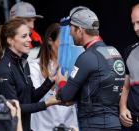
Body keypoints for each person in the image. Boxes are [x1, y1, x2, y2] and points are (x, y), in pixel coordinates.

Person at [56, 6, 125, 131]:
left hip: (93, 125)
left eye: (71, 28)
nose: (70, 33)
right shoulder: (115, 52)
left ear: (80, 30)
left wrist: (60, 82)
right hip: (114, 124)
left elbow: (65, 96)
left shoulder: (87, 57)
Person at [0, 18, 61, 131]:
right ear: (10, 41)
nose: (29, 39)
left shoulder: (23, 63)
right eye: (24, 36)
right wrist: (47, 103)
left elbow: (31, 97)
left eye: (29, 35)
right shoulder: (4, 70)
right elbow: (14, 107)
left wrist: (50, 80)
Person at [29, 23, 79, 131]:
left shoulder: (75, 64)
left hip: (70, 125)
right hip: (43, 126)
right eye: (63, 40)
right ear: (50, 41)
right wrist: (52, 84)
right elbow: (33, 98)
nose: (67, 43)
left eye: (69, 40)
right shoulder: (35, 66)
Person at [119, 3, 139, 131]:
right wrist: (122, 107)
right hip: (133, 125)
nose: (136, 28)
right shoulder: (129, 51)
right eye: (133, 24)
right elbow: (125, 86)